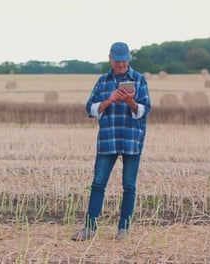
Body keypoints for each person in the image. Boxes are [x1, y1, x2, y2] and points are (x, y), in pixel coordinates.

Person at [72, 42, 151, 241]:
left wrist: (130, 102)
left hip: (132, 140)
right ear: (110, 59)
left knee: (129, 186)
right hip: (108, 140)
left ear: (129, 59)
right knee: (98, 184)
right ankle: (89, 228)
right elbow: (90, 109)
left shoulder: (139, 80)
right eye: (118, 61)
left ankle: (123, 230)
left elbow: (144, 110)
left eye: (125, 61)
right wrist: (109, 99)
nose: (122, 65)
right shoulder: (102, 81)